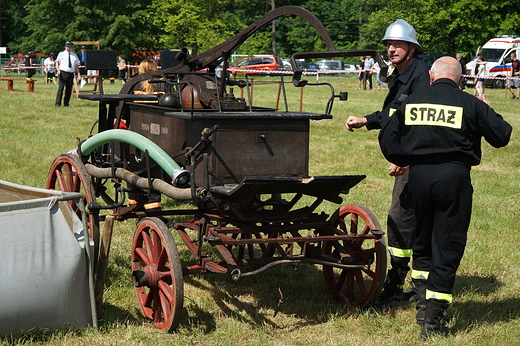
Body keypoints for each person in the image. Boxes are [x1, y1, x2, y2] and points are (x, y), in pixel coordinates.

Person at [378, 56, 511, 338]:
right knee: (447, 245)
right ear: (460, 79)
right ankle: (433, 324)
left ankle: (423, 308)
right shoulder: (469, 103)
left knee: (423, 242)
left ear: (431, 76)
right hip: (454, 178)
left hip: (418, 178)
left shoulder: (411, 101)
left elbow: (388, 137)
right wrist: (488, 109)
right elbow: (502, 135)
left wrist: (404, 158)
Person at [345, 19, 430, 310]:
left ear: (411, 47)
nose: (391, 49)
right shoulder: (401, 75)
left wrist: (406, 160)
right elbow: (394, 113)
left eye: (397, 44)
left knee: (401, 220)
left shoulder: (420, 75)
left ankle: (397, 287)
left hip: (418, 162)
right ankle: (417, 287)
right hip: (411, 160)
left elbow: (421, 121)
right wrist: (366, 120)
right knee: (408, 221)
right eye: (388, 45)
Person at [55, 41, 81, 107]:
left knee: (69, 89)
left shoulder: (74, 55)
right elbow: (57, 62)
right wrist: (58, 70)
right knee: (61, 88)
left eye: (69, 46)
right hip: (63, 72)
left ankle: (66, 103)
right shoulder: (61, 54)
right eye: (66, 46)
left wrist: (78, 74)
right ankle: (58, 103)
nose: (67, 48)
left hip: (71, 73)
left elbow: (76, 65)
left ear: (71, 47)